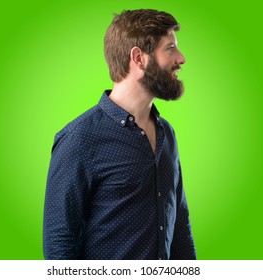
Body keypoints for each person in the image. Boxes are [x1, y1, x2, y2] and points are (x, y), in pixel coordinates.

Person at [43, 9, 196, 260]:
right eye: (170, 49)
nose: (182, 58)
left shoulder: (166, 133)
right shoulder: (79, 139)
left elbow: (180, 226)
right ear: (138, 58)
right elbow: (60, 243)